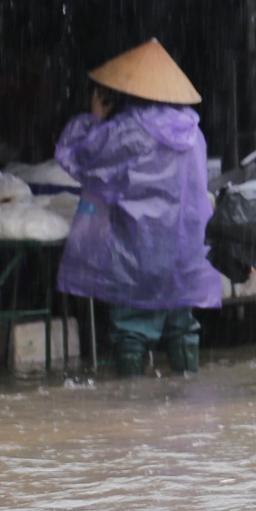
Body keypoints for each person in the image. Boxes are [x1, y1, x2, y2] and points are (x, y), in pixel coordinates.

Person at [54, 39, 223, 377]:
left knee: (131, 330)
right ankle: (190, 410)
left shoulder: (127, 131)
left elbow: (78, 156)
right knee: (181, 327)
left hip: (136, 250)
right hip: (184, 253)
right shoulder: (193, 132)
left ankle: (130, 407)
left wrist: (96, 116)